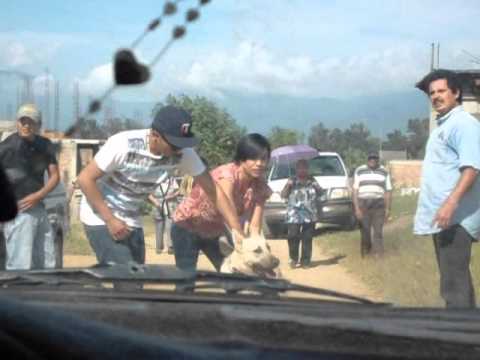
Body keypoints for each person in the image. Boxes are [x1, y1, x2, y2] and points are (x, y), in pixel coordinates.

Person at [77, 105, 245, 267]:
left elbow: (213, 190)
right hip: (99, 215)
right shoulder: (122, 144)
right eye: (174, 144)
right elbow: (85, 179)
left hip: (130, 217)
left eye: (182, 144)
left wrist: (238, 233)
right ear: (155, 135)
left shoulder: (183, 153)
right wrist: (110, 220)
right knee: (126, 275)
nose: (179, 149)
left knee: (137, 278)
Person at [414, 69, 480, 309]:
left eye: (442, 91)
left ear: (456, 93)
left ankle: (459, 341)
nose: (436, 96)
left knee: (454, 287)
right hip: (444, 218)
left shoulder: (463, 124)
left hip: (455, 218)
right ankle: (469, 335)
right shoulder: (444, 125)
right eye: (432, 93)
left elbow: (472, 167)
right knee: (455, 283)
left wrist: (450, 204)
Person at [172, 133, 272, 275]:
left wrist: (259, 251)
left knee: (234, 274)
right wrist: (241, 239)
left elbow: (255, 226)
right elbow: (227, 207)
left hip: (214, 232)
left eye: (264, 159)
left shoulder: (260, 186)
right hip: (186, 227)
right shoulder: (227, 175)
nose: (259, 164)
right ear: (242, 158)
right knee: (186, 279)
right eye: (253, 158)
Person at [0, 104, 59, 270]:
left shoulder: (45, 145)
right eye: (22, 121)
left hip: (40, 209)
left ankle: (44, 295)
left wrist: (38, 196)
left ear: (38, 125)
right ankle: (18, 295)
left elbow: (55, 176)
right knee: (21, 265)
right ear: (17, 123)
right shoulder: (6, 148)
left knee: (47, 262)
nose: (26, 125)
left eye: (31, 122)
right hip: (19, 212)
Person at [281, 159, 322, 269]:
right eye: (300, 168)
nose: (302, 170)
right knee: (292, 236)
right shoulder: (292, 180)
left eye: (305, 167)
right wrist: (288, 186)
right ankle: (294, 258)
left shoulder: (312, 179)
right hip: (294, 214)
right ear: (296, 169)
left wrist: (316, 186)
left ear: (307, 169)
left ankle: (305, 261)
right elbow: (283, 195)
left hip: (310, 214)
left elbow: (321, 193)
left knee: (307, 238)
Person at [352, 151, 392, 258]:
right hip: (363, 204)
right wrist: (356, 208)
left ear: (378, 159)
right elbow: (355, 190)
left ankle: (378, 255)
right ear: (367, 159)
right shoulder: (360, 170)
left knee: (378, 231)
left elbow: (388, 191)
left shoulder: (384, 171)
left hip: (378, 205)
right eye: (371, 158)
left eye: (375, 158)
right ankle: (366, 253)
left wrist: (388, 209)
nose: (372, 160)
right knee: (365, 231)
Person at [148, 175, 179, 254]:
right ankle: (159, 247)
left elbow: (178, 191)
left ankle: (170, 246)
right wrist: (155, 202)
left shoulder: (172, 179)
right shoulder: (154, 179)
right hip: (157, 203)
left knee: (169, 226)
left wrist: (171, 196)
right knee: (159, 225)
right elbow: (148, 193)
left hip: (170, 204)